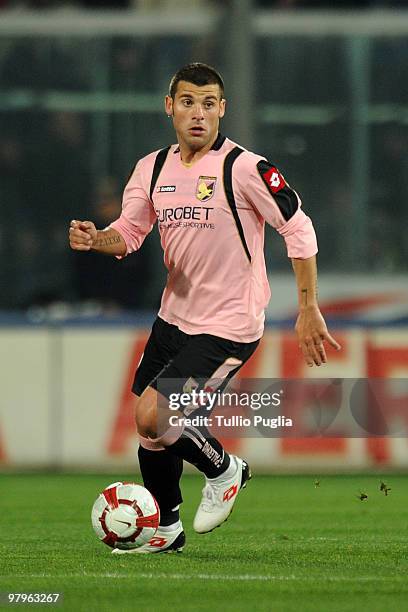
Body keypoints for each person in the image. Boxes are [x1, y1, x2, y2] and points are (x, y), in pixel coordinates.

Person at [69, 62, 340, 554]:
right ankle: (167, 528)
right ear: (170, 106)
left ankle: (224, 468)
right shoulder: (152, 168)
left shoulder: (246, 168)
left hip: (229, 323)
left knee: (156, 417)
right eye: (189, 102)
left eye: (209, 103)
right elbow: (129, 234)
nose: (199, 113)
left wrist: (308, 307)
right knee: (151, 432)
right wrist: (97, 240)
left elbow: (299, 228)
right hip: (175, 317)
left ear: (223, 110)